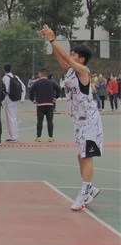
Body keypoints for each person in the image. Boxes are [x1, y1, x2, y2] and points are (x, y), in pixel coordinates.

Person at [39, 25, 103, 211]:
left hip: (89, 120)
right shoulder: (70, 71)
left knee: (87, 156)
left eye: (74, 54)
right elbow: (61, 57)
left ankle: (85, 192)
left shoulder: (83, 71)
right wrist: (50, 41)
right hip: (78, 121)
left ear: (81, 59)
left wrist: (53, 39)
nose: (70, 56)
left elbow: (65, 57)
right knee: (80, 157)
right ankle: (89, 188)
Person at [28, 68, 61, 142]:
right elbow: (59, 90)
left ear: (40, 74)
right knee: (50, 121)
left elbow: (31, 91)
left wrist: (33, 100)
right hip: (49, 104)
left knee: (40, 121)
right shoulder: (52, 82)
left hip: (40, 104)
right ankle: (50, 137)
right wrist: (55, 98)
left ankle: (39, 137)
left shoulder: (37, 83)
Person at [2, 63, 26, 143]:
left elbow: (5, 90)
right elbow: (23, 87)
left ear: (3, 69)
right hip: (15, 99)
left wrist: (2, 100)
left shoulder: (5, 78)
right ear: (11, 69)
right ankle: (15, 135)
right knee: (14, 118)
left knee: (9, 119)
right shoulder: (16, 77)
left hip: (8, 100)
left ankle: (13, 137)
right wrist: (22, 98)